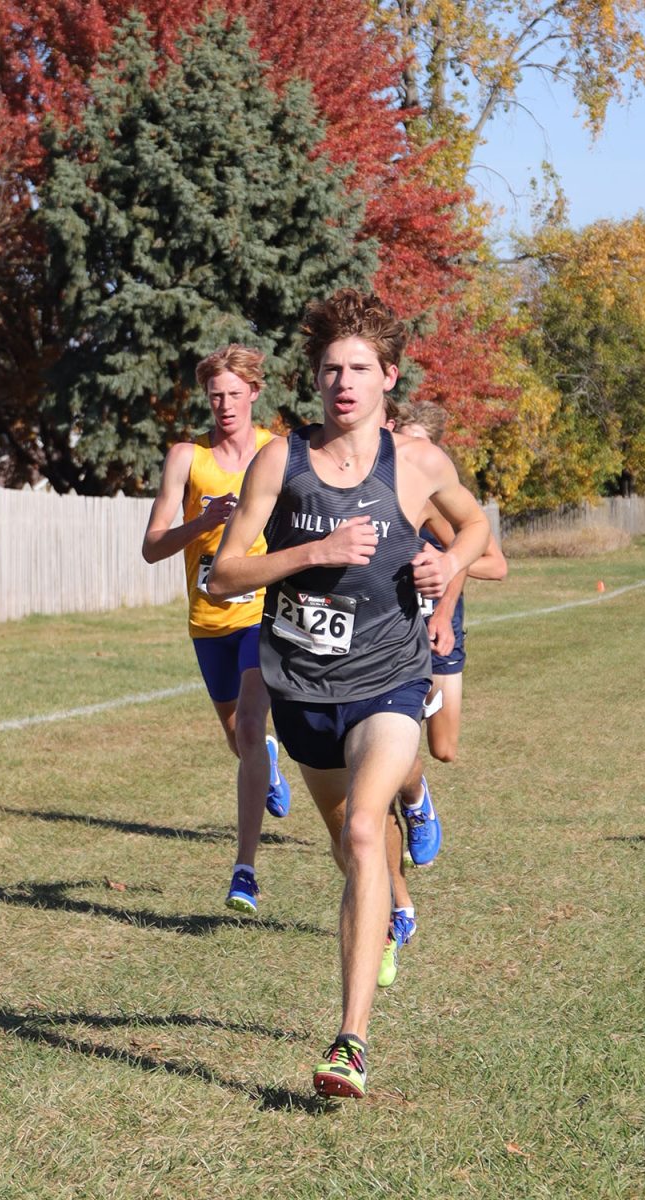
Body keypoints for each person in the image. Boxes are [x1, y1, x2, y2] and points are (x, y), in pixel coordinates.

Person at [207, 289, 490, 1099]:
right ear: (316, 377)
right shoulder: (280, 462)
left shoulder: (418, 464)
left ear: (387, 378)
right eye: (331, 368)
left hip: (389, 682)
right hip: (302, 688)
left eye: (359, 368)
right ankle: (388, 908)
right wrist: (311, 553)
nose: (343, 382)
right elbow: (224, 572)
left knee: (367, 830)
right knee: (346, 844)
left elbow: (474, 527)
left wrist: (449, 567)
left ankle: (350, 1042)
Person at [141, 345, 291, 916]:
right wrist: (201, 522)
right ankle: (267, 760)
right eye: (214, 396)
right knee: (240, 739)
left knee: (250, 729)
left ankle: (244, 871)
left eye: (234, 394)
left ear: (255, 393)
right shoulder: (187, 458)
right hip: (209, 621)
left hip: (263, 614)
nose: (225, 405)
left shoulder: (275, 452)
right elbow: (152, 547)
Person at [383, 401, 507, 970]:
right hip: (395, 635)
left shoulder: (435, 500)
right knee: (396, 740)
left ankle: (419, 795)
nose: (403, 447)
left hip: (441, 627)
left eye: (412, 439)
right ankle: (410, 809)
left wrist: (448, 560)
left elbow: (494, 562)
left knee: (443, 747)